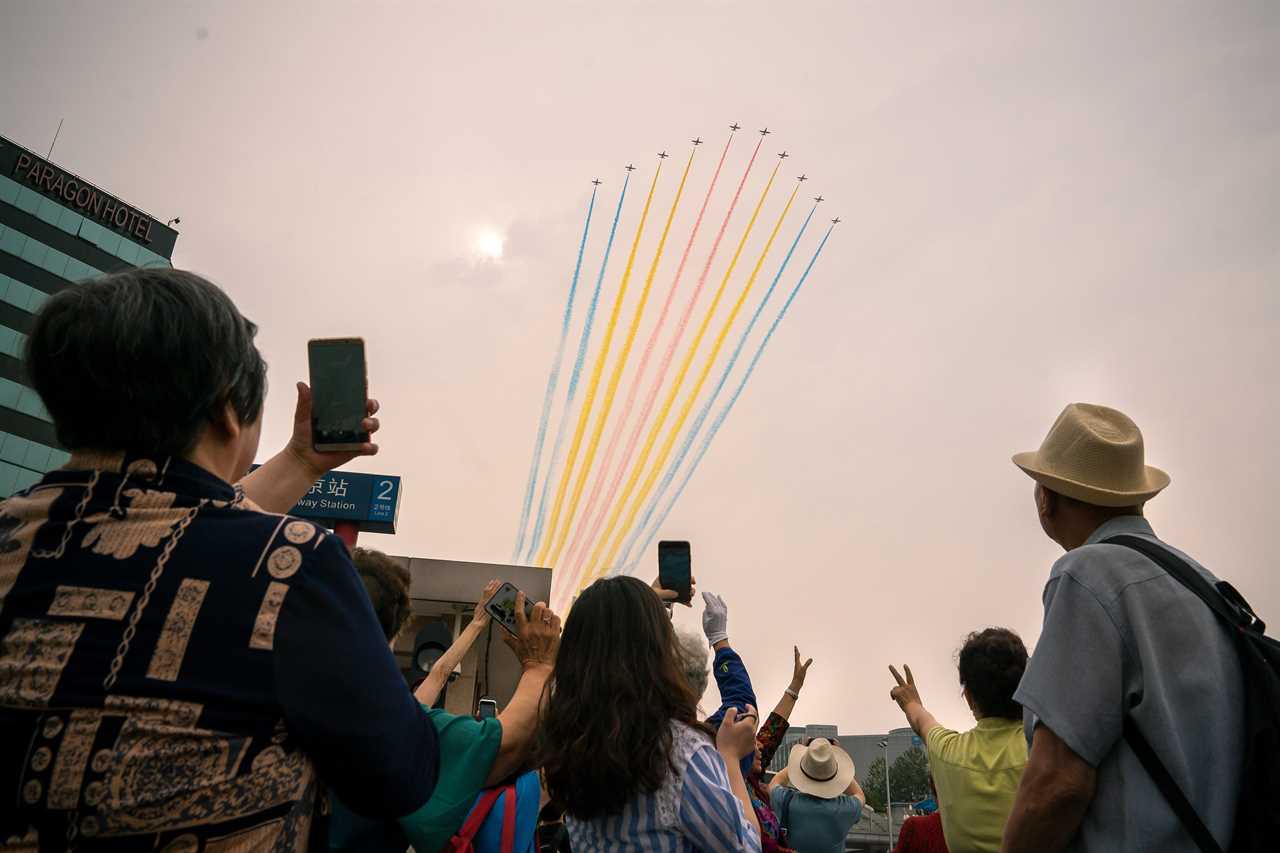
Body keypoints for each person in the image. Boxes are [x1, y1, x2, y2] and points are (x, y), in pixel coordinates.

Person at [4, 267, 416, 848]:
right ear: (229, 407)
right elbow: (399, 773)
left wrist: (300, 462)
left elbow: (163, 524)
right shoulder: (293, 562)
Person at [1001, 403, 1244, 852]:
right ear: (1136, 497)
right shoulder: (1206, 587)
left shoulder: (1086, 574)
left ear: (1046, 498)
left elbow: (1058, 783)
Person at [332, 557, 553, 852]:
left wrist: (476, 624)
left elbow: (437, 675)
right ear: (391, 636)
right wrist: (537, 665)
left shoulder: (284, 686)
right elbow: (508, 742)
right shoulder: (392, 725)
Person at [539, 575, 762, 851]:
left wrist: (645, 606)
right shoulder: (680, 752)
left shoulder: (568, 741)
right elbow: (748, 847)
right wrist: (729, 757)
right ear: (656, 653)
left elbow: (601, 648)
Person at [888, 628, 1029, 853]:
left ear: (969, 697)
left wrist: (911, 700)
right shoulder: (1045, 750)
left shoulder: (947, 751)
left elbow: (920, 720)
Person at [767, 737, 864, 853]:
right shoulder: (845, 808)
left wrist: (802, 760)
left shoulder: (787, 801)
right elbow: (860, 795)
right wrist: (835, 761)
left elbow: (773, 784)